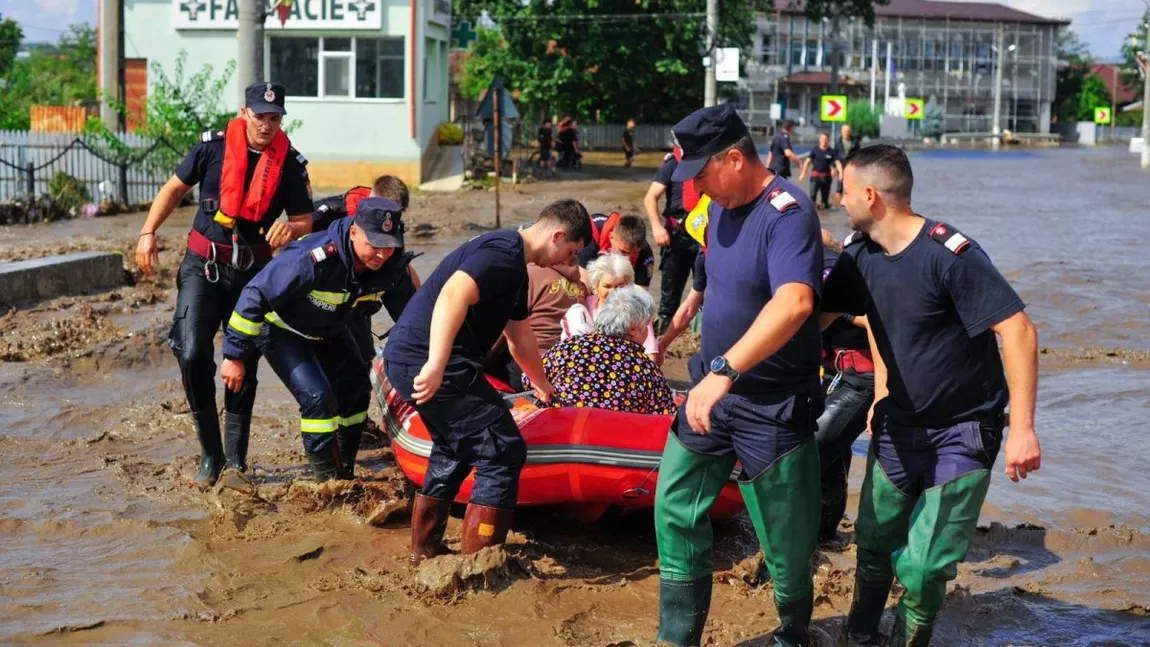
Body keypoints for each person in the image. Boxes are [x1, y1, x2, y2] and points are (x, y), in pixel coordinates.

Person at [823, 145, 1042, 645]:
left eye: (845, 189)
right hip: (898, 424)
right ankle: (858, 636)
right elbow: (835, 317)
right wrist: (880, 387)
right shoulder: (860, 258)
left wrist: (1023, 428)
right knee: (874, 547)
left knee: (922, 568)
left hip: (962, 431)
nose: (840, 198)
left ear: (871, 195)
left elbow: (1019, 330)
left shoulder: (950, 253)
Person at [654, 104, 824, 647]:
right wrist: (671, 339)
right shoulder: (718, 207)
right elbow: (711, 285)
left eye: (702, 173)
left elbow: (796, 301)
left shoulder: (787, 212)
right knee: (674, 506)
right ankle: (676, 638)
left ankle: (793, 634)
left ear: (734, 157)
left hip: (771, 402)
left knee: (785, 539)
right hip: (711, 394)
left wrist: (726, 369)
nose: (696, 186)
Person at [384, 199, 592, 563]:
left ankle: (424, 551)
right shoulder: (503, 254)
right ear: (557, 235)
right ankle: (480, 566)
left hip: (423, 359)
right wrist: (435, 364)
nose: (567, 263)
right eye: (570, 252)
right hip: (430, 360)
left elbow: (520, 337)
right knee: (503, 449)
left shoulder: (515, 268)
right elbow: (453, 294)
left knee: (455, 446)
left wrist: (543, 384)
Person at [135, 81, 314, 490]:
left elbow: (305, 221)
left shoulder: (290, 165)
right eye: (259, 117)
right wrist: (148, 233)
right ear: (244, 113)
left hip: (253, 277)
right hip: (204, 268)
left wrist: (292, 227)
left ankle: (236, 462)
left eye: (274, 118)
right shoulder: (211, 149)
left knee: (242, 367)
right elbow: (173, 189)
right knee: (192, 351)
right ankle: (210, 453)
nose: (267, 125)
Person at [220, 198, 416, 481]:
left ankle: (345, 472)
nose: (382, 254)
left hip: (329, 329)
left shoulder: (390, 266)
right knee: (318, 398)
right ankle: (328, 485)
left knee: (358, 388)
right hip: (281, 329)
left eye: (389, 245)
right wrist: (234, 356)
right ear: (354, 233)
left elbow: (411, 318)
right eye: (374, 244)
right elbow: (256, 294)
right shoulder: (313, 258)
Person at [311, 175, 421, 364]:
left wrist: (420, 307)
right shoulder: (329, 213)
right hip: (331, 295)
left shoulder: (393, 225)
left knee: (364, 361)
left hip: (364, 295)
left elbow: (400, 270)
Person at [527, 285, 674, 415]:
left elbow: (529, 379)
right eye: (647, 325)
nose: (648, 332)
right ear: (633, 329)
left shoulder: (567, 347)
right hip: (613, 442)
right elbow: (665, 415)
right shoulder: (647, 369)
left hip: (562, 435)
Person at [814, 229, 874, 543]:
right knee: (833, 455)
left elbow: (872, 318)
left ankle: (801, 536)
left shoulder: (837, 273)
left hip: (864, 376)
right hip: (838, 374)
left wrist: (842, 309)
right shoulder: (842, 267)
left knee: (813, 450)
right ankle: (824, 534)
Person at [482, 260, 588, 391]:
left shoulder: (530, 274)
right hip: (570, 365)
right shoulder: (581, 285)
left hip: (532, 368)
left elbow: (504, 326)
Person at [645, 150, 702, 335]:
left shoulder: (708, 161)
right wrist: (656, 227)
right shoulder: (672, 164)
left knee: (708, 290)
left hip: (704, 237)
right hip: (676, 236)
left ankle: (701, 335)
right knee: (670, 292)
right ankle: (663, 335)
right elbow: (651, 197)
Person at [563, 252, 658, 360]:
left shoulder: (638, 311)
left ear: (629, 285)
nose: (613, 292)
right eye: (607, 286)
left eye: (620, 286)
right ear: (596, 285)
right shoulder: (584, 307)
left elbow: (651, 355)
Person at [577, 212, 655, 288]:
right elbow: (584, 287)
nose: (627, 259)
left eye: (634, 253)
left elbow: (640, 296)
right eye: (623, 252)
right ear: (611, 237)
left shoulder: (645, 253)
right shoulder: (591, 235)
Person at [798, 132, 842, 210]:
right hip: (815, 177)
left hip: (826, 178)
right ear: (819, 140)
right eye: (822, 139)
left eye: (825, 139)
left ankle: (824, 214)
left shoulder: (832, 151)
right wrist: (803, 174)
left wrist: (841, 174)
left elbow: (837, 163)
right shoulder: (815, 150)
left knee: (825, 202)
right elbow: (807, 161)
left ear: (828, 140)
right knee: (812, 198)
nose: (823, 141)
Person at [834, 124, 858, 198]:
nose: (846, 132)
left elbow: (858, 152)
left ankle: (850, 192)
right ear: (841, 132)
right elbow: (835, 153)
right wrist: (833, 166)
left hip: (851, 162)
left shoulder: (855, 141)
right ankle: (839, 192)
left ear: (850, 132)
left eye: (848, 131)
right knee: (840, 177)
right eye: (844, 131)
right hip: (840, 162)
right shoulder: (838, 141)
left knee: (851, 178)